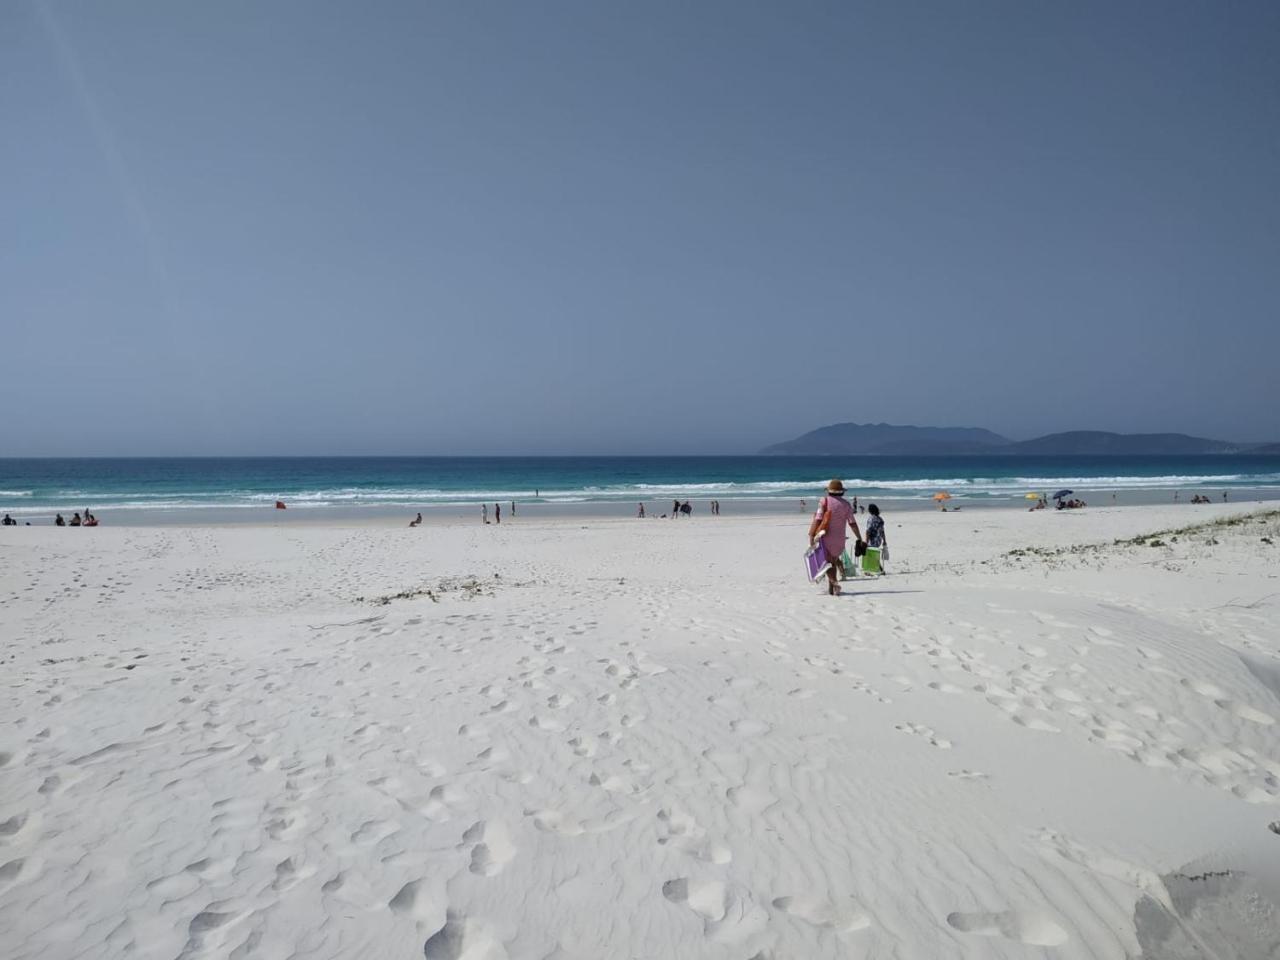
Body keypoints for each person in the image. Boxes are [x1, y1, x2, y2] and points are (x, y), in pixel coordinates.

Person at [807, 480, 861, 596]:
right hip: (840, 539)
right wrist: (859, 537)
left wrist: (811, 535)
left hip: (825, 537)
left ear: (829, 492)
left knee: (826, 563)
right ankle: (832, 590)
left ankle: (834, 582)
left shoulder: (824, 501)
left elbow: (818, 519)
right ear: (841, 492)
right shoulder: (846, 505)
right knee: (833, 562)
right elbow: (852, 523)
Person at [864, 503, 887, 572]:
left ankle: (878, 569)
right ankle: (874, 569)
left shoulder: (871, 519)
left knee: (870, 554)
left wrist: (866, 541)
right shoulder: (880, 519)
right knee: (873, 554)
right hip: (878, 539)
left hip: (872, 539)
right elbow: (882, 531)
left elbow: (868, 531)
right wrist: (884, 540)